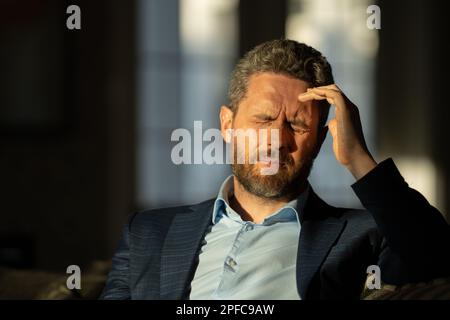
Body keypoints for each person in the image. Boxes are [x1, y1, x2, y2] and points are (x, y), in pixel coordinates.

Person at [100, 39, 450, 300]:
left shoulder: (363, 237)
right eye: (264, 119)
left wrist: (358, 158)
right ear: (227, 124)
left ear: (320, 138)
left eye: (297, 126)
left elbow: (436, 259)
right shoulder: (148, 231)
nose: (276, 140)